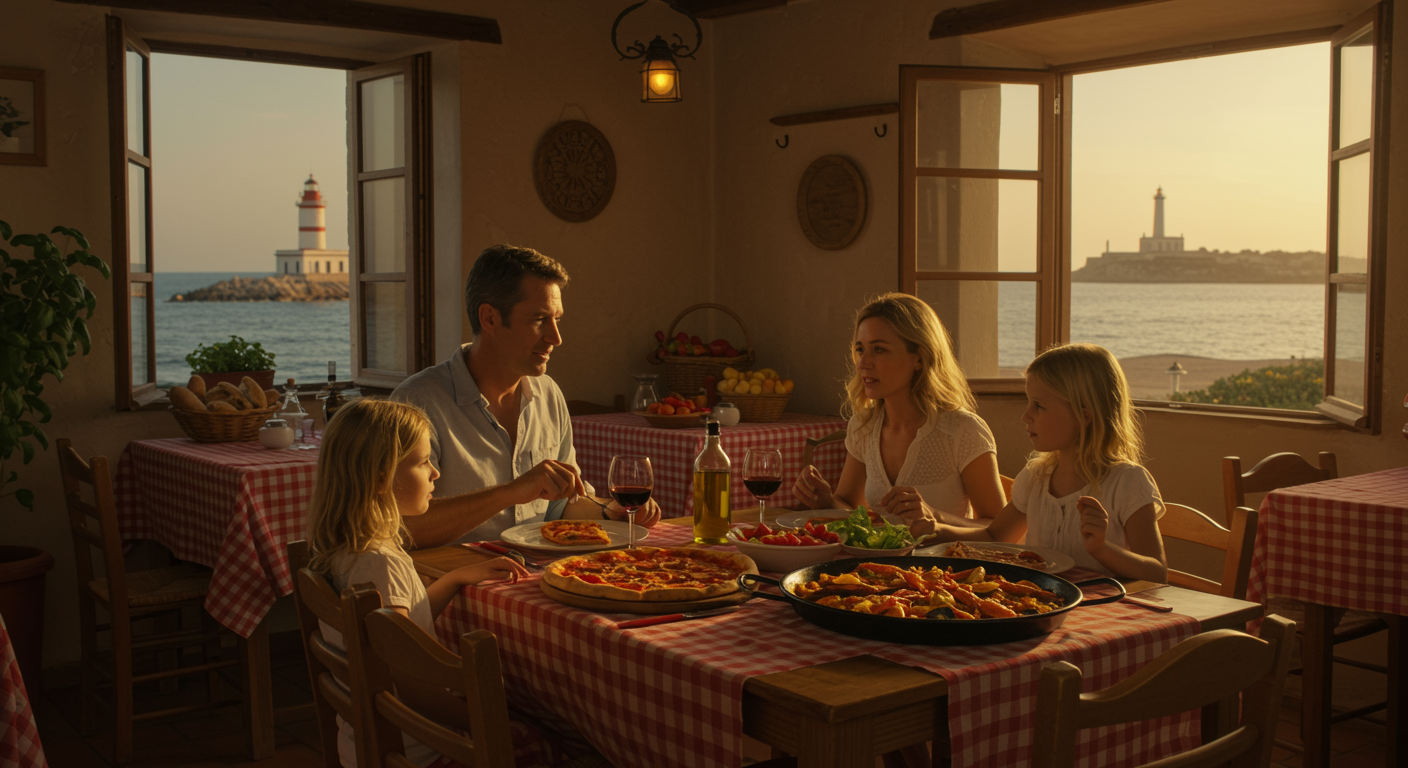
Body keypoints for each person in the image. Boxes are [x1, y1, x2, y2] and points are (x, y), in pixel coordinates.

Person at [305, 398, 532, 768]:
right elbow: (410, 683)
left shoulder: (347, 548)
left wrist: (456, 577)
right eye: (423, 462)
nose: (435, 473)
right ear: (381, 478)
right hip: (419, 750)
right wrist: (492, 724)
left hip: (362, 741)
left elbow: (395, 629)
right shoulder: (380, 563)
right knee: (553, 743)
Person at [392, 244, 661, 546]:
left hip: (532, 576)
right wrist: (509, 492)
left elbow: (561, 508)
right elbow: (399, 529)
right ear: (490, 318)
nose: (555, 338)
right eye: (539, 319)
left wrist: (610, 511)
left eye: (557, 319)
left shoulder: (548, 394)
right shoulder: (416, 403)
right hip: (453, 584)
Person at [915, 343, 1169, 582]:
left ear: (1084, 414)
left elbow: (1157, 573)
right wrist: (934, 528)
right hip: (1043, 603)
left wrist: (1102, 549)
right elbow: (994, 536)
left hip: (1106, 612)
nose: (1026, 416)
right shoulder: (1037, 477)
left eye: (1038, 406)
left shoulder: (1127, 482)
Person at [792, 293, 1006, 531]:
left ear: (919, 358)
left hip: (943, 567)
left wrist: (934, 517)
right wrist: (827, 502)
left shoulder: (963, 430)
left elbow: (1000, 531)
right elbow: (849, 506)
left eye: (879, 350)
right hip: (875, 568)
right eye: (860, 349)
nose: (863, 362)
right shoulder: (863, 426)